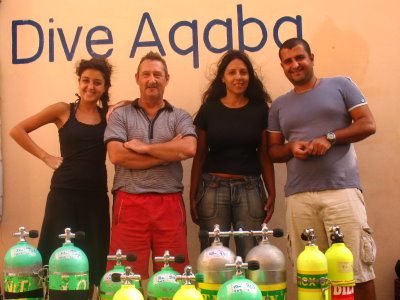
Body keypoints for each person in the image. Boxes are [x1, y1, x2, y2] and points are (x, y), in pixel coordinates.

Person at [267, 37, 377, 300]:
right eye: (288, 61)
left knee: (355, 272)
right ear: (282, 66)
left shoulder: (341, 85)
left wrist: (329, 138)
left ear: (312, 58)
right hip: (299, 197)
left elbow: (368, 124)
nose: (294, 65)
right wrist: (291, 147)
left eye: (299, 58)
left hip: (342, 192)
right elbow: (272, 151)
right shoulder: (279, 104)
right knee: (311, 278)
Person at [9, 58, 113, 294]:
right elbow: (17, 130)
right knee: (56, 257)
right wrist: (46, 157)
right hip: (63, 196)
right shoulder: (63, 110)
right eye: (86, 80)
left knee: (91, 262)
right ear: (79, 82)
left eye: (97, 83)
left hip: (95, 198)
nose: (90, 87)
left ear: (105, 88)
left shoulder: (109, 115)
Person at [104, 51, 197, 279]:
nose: (152, 79)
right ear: (137, 78)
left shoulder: (180, 116)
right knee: (125, 278)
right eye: (146, 74)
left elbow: (188, 148)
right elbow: (117, 156)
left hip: (170, 204)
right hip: (129, 203)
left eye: (157, 74)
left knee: (172, 279)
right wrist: (169, 152)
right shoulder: (120, 115)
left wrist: (145, 148)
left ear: (167, 78)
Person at [190, 50, 276, 258]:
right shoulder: (209, 109)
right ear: (223, 77)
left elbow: (264, 154)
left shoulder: (260, 110)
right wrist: (192, 196)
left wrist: (272, 192)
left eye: (243, 72)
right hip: (212, 189)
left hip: (250, 189)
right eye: (232, 72)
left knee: (252, 255)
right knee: (214, 258)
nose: (238, 77)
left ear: (250, 76)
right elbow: (199, 155)